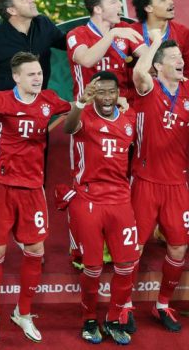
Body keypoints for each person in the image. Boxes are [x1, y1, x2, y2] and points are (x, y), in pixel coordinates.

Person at [0, 52, 70, 345]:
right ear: (16, 77)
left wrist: (90, 102)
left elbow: (73, 107)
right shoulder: (2, 99)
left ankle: (22, 312)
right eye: (31, 74)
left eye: (39, 73)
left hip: (33, 189)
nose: (37, 78)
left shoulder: (49, 100)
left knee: (35, 249)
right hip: (1, 188)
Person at [0, 0, 67, 272]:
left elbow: (71, 45)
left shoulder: (44, 26)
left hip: (37, 120)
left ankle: (27, 235)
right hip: (3, 122)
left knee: (36, 176)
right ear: (11, 10)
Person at [129, 34, 189, 331]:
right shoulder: (148, 87)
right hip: (145, 182)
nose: (181, 61)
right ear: (158, 66)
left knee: (178, 248)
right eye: (174, 58)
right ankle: (123, 306)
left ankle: (163, 304)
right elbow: (139, 71)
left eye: (181, 57)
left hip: (177, 184)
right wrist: (154, 43)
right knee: (134, 248)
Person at [64, 72, 139, 345]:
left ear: (118, 93)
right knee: (93, 268)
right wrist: (79, 103)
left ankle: (114, 318)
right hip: (89, 200)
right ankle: (89, 319)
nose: (107, 98)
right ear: (93, 94)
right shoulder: (83, 116)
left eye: (111, 92)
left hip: (121, 201)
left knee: (126, 265)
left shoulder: (129, 119)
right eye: (101, 92)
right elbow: (67, 128)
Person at [66, 0, 145, 100]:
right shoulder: (77, 34)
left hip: (124, 104)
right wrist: (111, 34)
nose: (120, 4)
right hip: (90, 105)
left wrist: (156, 42)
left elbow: (148, 57)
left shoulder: (124, 27)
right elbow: (86, 60)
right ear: (98, 9)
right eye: (114, 1)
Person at [130, 0, 189, 80]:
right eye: (163, 0)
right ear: (148, 8)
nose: (171, 2)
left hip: (173, 89)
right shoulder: (132, 32)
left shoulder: (183, 32)